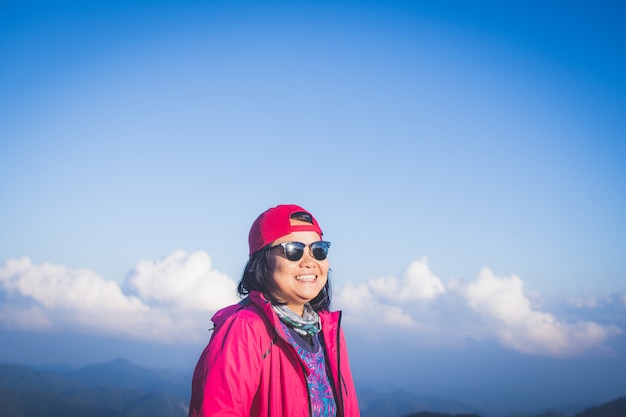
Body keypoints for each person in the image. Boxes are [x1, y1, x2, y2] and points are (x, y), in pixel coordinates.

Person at [188, 204, 360, 417]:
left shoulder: (328, 330)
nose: (310, 262)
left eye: (318, 250)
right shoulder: (245, 329)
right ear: (262, 262)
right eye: (293, 251)